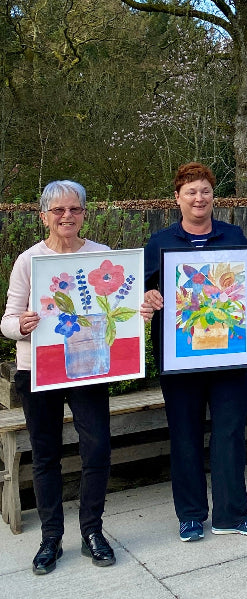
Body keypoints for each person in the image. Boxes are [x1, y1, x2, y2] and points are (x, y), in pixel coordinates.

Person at [140, 162, 247, 542]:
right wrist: (147, 297)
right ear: (177, 198)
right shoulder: (160, 243)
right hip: (179, 359)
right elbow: (141, 295)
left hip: (229, 355)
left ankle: (231, 513)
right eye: (191, 192)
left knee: (230, 433)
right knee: (184, 434)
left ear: (214, 196)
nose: (199, 198)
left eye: (205, 191)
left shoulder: (232, 234)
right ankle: (191, 515)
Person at [1, 181, 117, 573]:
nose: (67, 216)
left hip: (88, 366)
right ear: (43, 216)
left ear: (85, 213)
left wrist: (138, 315)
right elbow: (7, 320)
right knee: (46, 454)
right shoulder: (28, 261)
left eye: (74, 209)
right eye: (58, 210)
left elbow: (120, 308)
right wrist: (22, 325)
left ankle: (92, 532)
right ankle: (51, 536)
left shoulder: (103, 256)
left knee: (97, 447)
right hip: (39, 368)